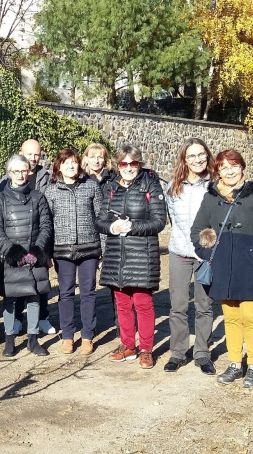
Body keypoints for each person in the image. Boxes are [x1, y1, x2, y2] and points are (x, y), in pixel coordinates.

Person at [191, 149, 253, 388]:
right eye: (223, 167)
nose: (229, 171)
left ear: (242, 167)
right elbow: (197, 230)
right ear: (217, 171)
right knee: (231, 318)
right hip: (222, 265)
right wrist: (208, 254)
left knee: (251, 317)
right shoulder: (211, 196)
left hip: (251, 266)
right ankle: (234, 364)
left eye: (233, 166)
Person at [96, 145, 166, 369]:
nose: (128, 168)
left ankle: (146, 349)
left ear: (139, 164)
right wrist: (112, 227)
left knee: (143, 303)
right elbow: (100, 220)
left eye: (133, 163)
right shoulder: (110, 187)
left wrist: (133, 226)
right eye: (124, 164)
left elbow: (159, 221)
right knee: (122, 303)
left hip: (142, 253)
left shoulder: (151, 185)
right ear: (118, 166)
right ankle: (128, 346)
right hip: (117, 253)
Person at [163, 138, 217, 374]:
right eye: (192, 156)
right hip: (180, 252)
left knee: (204, 305)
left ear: (207, 155)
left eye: (201, 154)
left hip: (206, 255)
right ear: (184, 159)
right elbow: (172, 219)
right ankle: (178, 353)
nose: (197, 160)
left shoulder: (215, 185)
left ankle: (203, 354)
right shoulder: (173, 187)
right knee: (178, 305)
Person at [0, 154, 53, 358]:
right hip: (11, 257)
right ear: (9, 173)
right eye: (15, 171)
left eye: (23, 170)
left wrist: (37, 250)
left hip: (34, 255)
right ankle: (9, 339)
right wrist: (12, 251)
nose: (20, 175)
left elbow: (46, 226)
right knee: (10, 298)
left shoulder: (38, 197)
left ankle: (33, 340)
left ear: (29, 172)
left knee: (34, 296)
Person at [44, 149, 103, 355]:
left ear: (79, 165)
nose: (70, 166)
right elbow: (47, 224)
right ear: (58, 166)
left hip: (89, 249)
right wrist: (47, 254)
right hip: (62, 250)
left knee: (88, 293)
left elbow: (101, 218)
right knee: (65, 293)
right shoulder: (50, 190)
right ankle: (67, 335)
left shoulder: (91, 186)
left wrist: (101, 249)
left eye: (74, 162)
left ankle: (87, 335)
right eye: (66, 163)